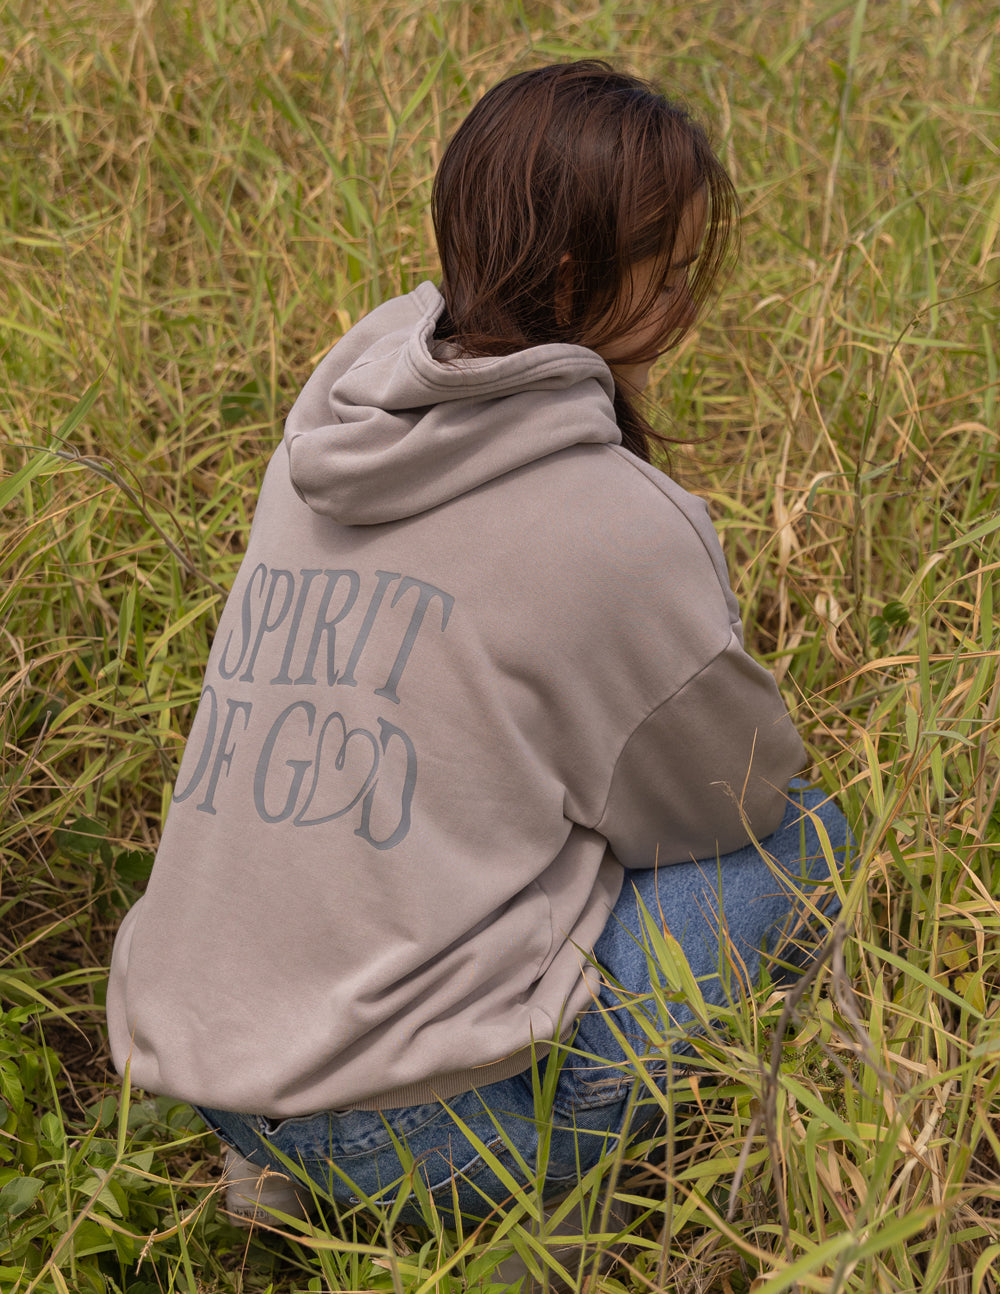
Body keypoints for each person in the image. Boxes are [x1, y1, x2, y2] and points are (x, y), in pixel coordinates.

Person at [106, 60, 849, 1230]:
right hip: (411, 1130)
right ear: (575, 273)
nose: (688, 302)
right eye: (674, 268)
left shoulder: (327, 438)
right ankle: (532, 1218)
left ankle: (274, 1171)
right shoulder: (615, 522)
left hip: (195, 1060)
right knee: (807, 836)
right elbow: (732, 797)